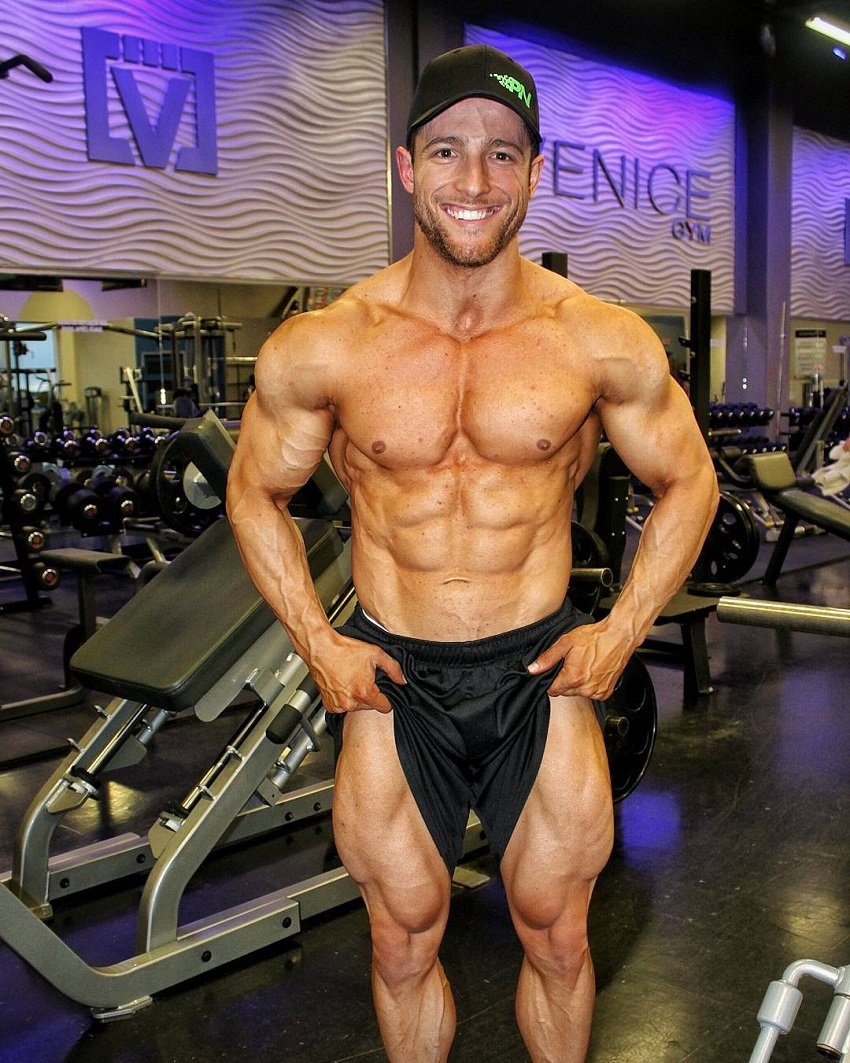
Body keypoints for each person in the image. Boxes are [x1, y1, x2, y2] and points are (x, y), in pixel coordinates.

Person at [227, 43, 719, 1062]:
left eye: (502, 155)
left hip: (540, 670)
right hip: (392, 672)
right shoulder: (328, 342)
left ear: (535, 172)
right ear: (406, 165)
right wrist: (318, 641)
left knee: (557, 931)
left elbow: (693, 480)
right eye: (446, 150)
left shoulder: (597, 337)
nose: (473, 181)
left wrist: (621, 630)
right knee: (402, 941)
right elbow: (253, 492)